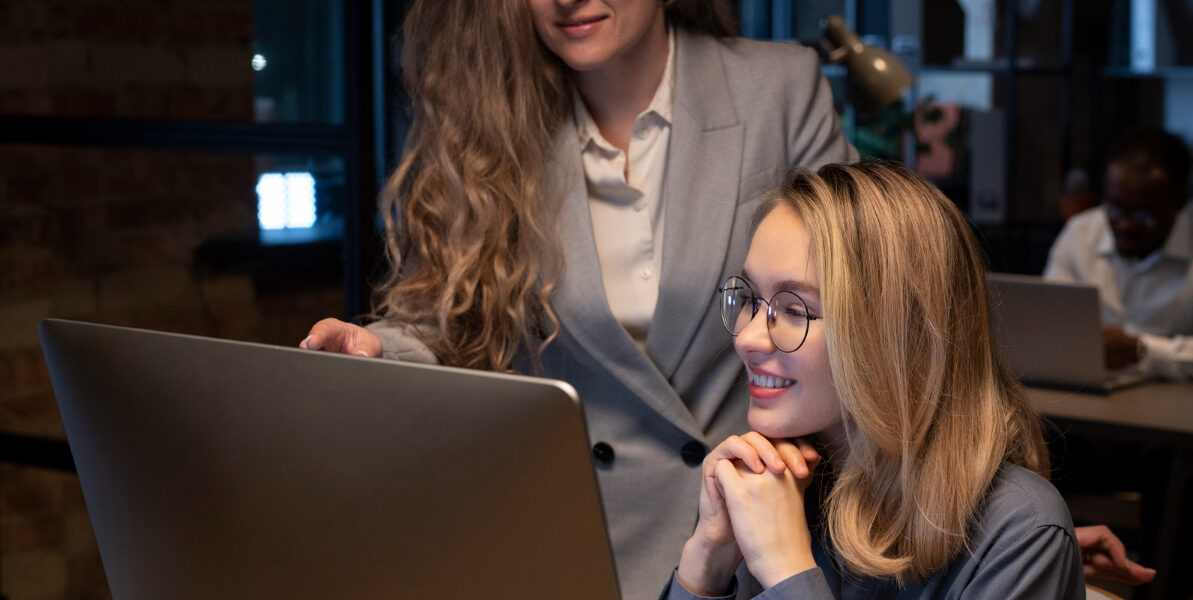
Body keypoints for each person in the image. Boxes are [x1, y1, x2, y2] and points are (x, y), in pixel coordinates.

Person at [300, 1, 855, 598]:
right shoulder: (484, 116)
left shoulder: (778, 86)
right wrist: (377, 350)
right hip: (567, 528)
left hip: (747, 527)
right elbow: (445, 314)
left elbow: (859, 301)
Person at [665, 162, 1097, 599]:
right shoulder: (769, 488)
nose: (747, 338)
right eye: (752, 300)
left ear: (901, 337)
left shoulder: (1020, 532)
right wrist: (706, 559)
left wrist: (786, 568)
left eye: (795, 310)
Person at [1043, 129, 1193, 382]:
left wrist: (1140, 351)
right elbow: (1046, 332)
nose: (1125, 224)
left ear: (1180, 202)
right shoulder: (1079, 234)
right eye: (1115, 208)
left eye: (1143, 216)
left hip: (1182, 401)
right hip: (1086, 394)